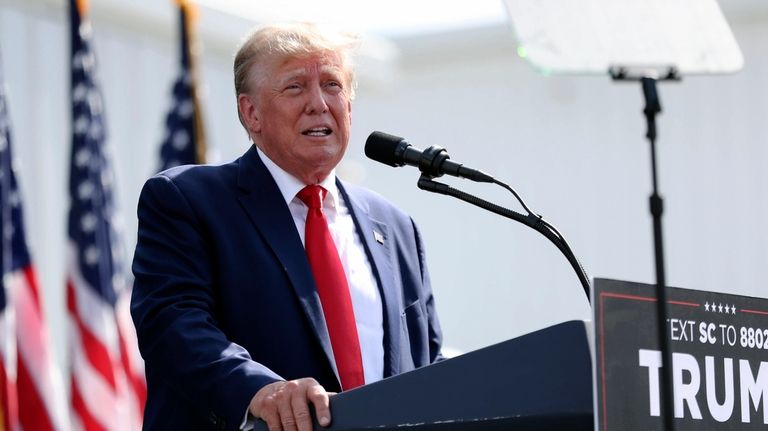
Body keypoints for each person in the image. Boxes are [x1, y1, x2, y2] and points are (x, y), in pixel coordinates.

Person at [131, 22, 443, 431]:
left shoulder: (396, 227)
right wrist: (258, 391)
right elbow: (172, 325)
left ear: (349, 107)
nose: (319, 104)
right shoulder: (188, 200)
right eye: (295, 87)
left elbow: (427, 364)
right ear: (251, 113)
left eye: (332, 85)